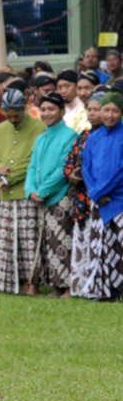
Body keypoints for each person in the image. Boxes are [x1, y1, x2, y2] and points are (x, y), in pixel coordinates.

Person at [0, 87, 44, 294]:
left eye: (16, 115)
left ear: (24, 108)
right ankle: (8, 284)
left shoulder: (39, 127)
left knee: (29, 241)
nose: (13, 119)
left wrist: (11, 178)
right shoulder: (0, 129)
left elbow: (33, 161)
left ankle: (32, 285)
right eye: (8, 116)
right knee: (7, 242)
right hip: (6, 195)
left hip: (27, 193)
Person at [26, 92, 78, 296]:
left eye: (51, 109)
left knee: (63, 242)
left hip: (60, 196)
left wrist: (44, 190)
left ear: (62, 111)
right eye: (43, 109)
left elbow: (63, 168)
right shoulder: (41, 138)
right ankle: (56, 286)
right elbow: (32, 167)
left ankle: (67, 288)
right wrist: (30, 191)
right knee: (48, 243)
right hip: (40, 197)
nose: (46, 113)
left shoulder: (70, 135)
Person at [81, 93, 123, 299]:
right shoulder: (93, 138)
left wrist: (102, 191)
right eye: (106, 110)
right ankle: (105, 291)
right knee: (102, 247)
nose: (110, 115)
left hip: (119, 200)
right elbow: (86, 167)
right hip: (99, 201)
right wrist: (95, 192)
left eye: (115, 110)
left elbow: (121, 170)